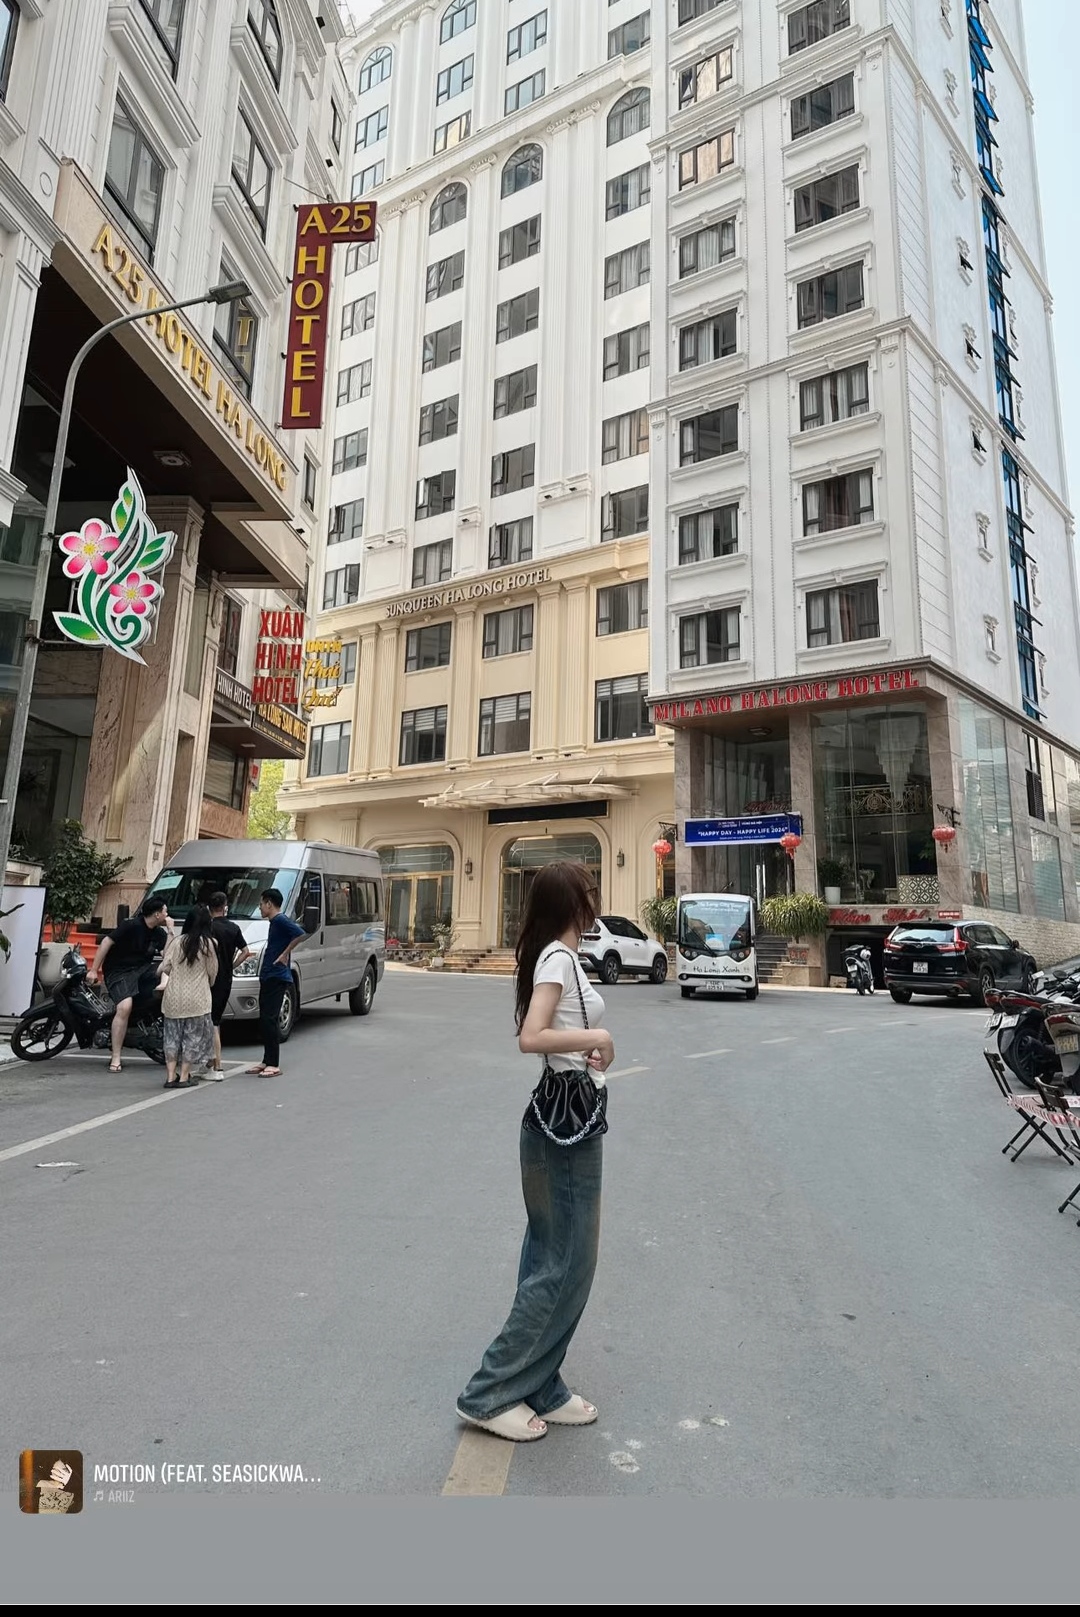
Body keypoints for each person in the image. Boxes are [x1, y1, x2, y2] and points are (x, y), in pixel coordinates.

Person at [455, 861, 615, 1443]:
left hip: (561, 1115)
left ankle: (542, 1384)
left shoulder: (559, 956)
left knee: (551, 1254)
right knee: (567, 1262)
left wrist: (596, 1049)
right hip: (563, 1128)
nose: (594, 901)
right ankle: (489, 1391)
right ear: (572, 902)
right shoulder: (557, 958)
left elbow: (554, 1033)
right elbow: (533, 1036)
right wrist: (598, 1037)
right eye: (589, 892)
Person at [88, 896, 170, 1073]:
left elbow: (169, 956)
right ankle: (116, 1056)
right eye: (165, 911)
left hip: (142, 970)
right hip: (119, 972)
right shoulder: (131, 925)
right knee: (124, 1007)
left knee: (168, 965)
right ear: (157, 914)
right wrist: (94, 970)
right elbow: (106, 942)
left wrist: (170, 931)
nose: (167, 914)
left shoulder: (159, 933)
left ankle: (162, 986)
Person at [246, 887, 304, 1077]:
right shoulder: (274, 922)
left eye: (261, 904)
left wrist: (285, 954)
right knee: (264, 1019)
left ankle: (273, 1063)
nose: (260, 907)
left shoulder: (280, 920)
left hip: (277, 976)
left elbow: (299, 933)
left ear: (269, 904)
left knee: (270, 1019)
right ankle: (266, 1060)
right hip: (269, 975)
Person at [158, 906, 217, 1089]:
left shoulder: (177, 942)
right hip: (197, 998)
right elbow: (212, 971)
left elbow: (165, 967)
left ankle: (170, 1077)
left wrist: (177, 975)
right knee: (192, 1038)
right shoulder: (208, 944)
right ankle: (184, 1077)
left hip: (173, 998)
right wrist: (208, 982)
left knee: (172, 1038)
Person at [204, 891, 252, 1080]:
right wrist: (231, 965)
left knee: (209, 1020)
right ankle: (213, 1063)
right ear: (225, 907)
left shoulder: (208, 927)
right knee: (215, 1019)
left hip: (207, 978)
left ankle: (216, 1065)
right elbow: (245, 951)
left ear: (209, 908)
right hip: (225, 978)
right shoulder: (233, 928)